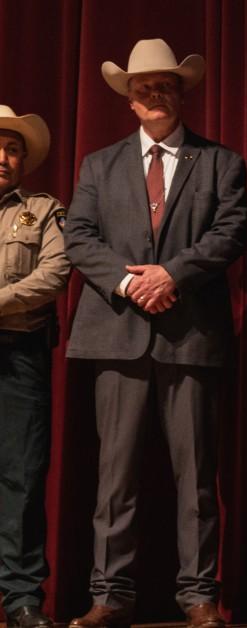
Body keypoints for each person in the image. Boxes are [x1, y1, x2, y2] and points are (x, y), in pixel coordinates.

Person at [63, 38, 247, 628]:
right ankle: (110, 596)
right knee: (114, 478)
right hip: (115, 336)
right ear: (130, 101)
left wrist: (172, 274)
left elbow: (230, 231)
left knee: (196, 478)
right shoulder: (98, 164)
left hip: (190, 337)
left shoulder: (221, 162)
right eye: (144, 88)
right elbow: (80, 238)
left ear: (182, 93)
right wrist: (128, 282)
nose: (155, 95)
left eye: (165, 85)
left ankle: (198, 597)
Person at [0, 105, 69, 628]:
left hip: (19, 354)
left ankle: (22, 597)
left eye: (13, 148)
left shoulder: (43, 210)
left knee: (21, 478)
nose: (4, 157)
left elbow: (55, 273)